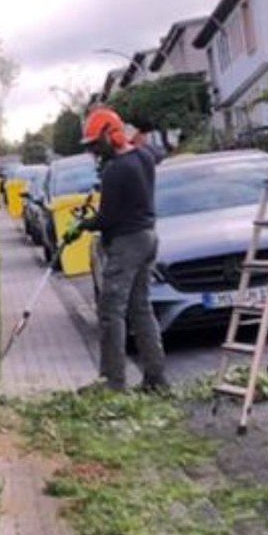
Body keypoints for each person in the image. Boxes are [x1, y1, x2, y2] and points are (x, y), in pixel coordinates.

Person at [74, 105, 170, 394]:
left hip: (127, 242)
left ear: (110, 135)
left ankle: (112, 383)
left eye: (96, 144)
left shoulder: (116, 171)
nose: (94, 151)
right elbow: (151, 150)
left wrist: (83, 225)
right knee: (141, 307)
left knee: (110, 310)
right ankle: (156, 378)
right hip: (148, 236)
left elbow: (108, 218)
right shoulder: (143, 157)